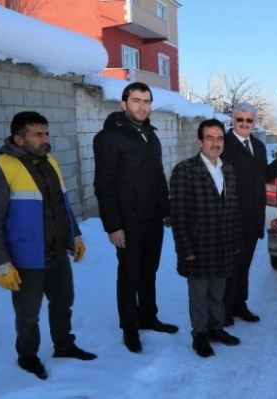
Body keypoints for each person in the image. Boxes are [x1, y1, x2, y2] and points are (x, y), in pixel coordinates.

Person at [0, 111, 97, 380]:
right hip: (25, 258)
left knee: (63, 303)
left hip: (56, 254)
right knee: (28, 314)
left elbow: (62, 206)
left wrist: (74, 236)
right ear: (18, 139)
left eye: (46, 133)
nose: (46, 139)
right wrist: (1, 263)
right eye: (38, 135)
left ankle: (64, 345)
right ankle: (28, 356)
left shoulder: (49, 162)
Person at [93, 82, 178, 354]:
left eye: (147, 101)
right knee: (129, 275)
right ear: (124, 104)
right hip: (129, 221)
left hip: (153, 217)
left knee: (149, 271)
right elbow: (103, 184)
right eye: (136, 100)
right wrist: (113, 225)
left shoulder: (150, 135)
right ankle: (130, 328)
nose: (142, 106)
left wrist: (166, 209)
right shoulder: (109, 137)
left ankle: (148, 316)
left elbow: (157, 178)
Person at [169, 119, 244, 358]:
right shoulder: (185, 169)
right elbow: (178, 213)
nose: (215, 143)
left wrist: (236, 241)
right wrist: (185, 248)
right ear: (200, 141)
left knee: (217, 293)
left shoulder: (228, 170)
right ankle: (200, 334)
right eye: (209, 138)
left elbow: (233, 208)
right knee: (199, 294)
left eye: (219, 138)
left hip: (222, 244)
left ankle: (216, 328)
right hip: (198, 246)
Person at [220, 102, 277, 326]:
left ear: (255, 122)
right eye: (240, 119)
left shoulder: (257, 146)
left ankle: (240, 304)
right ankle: (225, 308)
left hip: (252, 217)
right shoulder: (223, 145)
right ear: (232, 120)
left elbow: (263, 175)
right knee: (229, 266)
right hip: (230, 218)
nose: (244, 124)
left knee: (244, 265)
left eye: (249, 120)